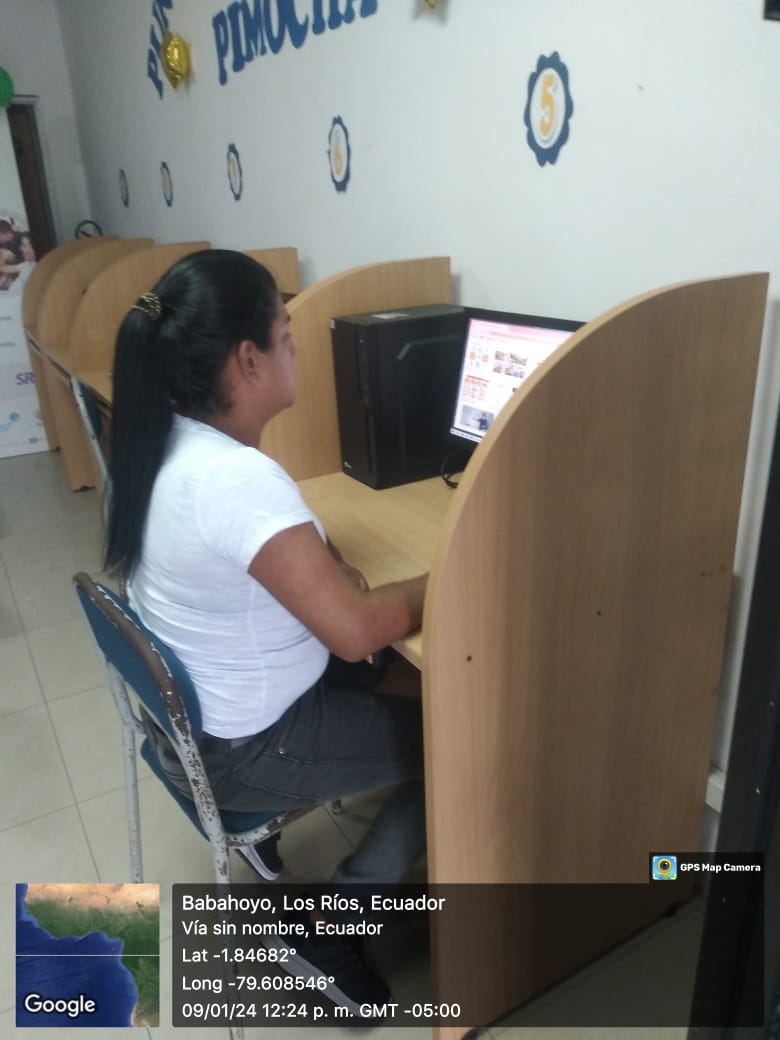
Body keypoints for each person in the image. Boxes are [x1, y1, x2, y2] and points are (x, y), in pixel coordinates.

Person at [105, 249, 427, 1014]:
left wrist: (333, 572)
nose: (295, 349)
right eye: (286, 335)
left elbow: (307, 565)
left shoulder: (161, 442)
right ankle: (333, 926)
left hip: (196, 726)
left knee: (397, 669)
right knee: (460, 743)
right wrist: (448, 577)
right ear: (248, 361)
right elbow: (355, 631)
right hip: (249, 750)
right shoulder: (235, 480)